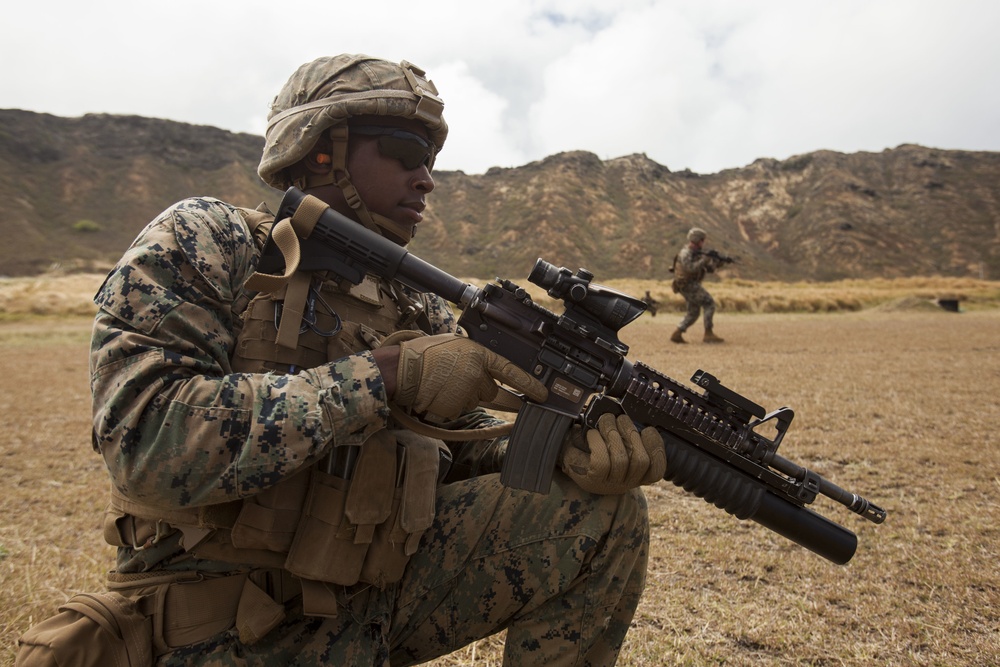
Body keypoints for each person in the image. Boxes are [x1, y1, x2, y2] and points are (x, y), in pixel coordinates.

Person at [15, 55, 666, 666]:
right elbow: (150, 444)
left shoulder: (415, 304)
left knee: (600, 510)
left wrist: (562, 454)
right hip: (208, 625)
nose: (427, 177)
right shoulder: (209, 239)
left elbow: (461, 454)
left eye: (433, 157)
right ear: (319, 146)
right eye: (406, 150)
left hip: (362, 610)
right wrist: (383, 375)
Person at [670, 227, 725, 344]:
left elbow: (708, 269)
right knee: (709, 303)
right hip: (687, 284)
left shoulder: (697, 253)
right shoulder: (686, 253)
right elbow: (691, 268)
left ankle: (677, 333)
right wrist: (705, 259)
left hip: (689, 285)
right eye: (702, 240)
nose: (703, 243)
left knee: (694, 312)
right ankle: (708, 333)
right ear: (697, 240)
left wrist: (717, 262)